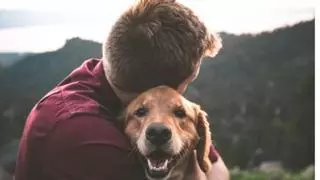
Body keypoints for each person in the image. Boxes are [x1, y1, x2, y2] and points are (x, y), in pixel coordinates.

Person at [14, 0, 229, 179]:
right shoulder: (88, 140)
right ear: (162, 87)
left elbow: (218, 169)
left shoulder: (102, 75)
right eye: (191, 78)